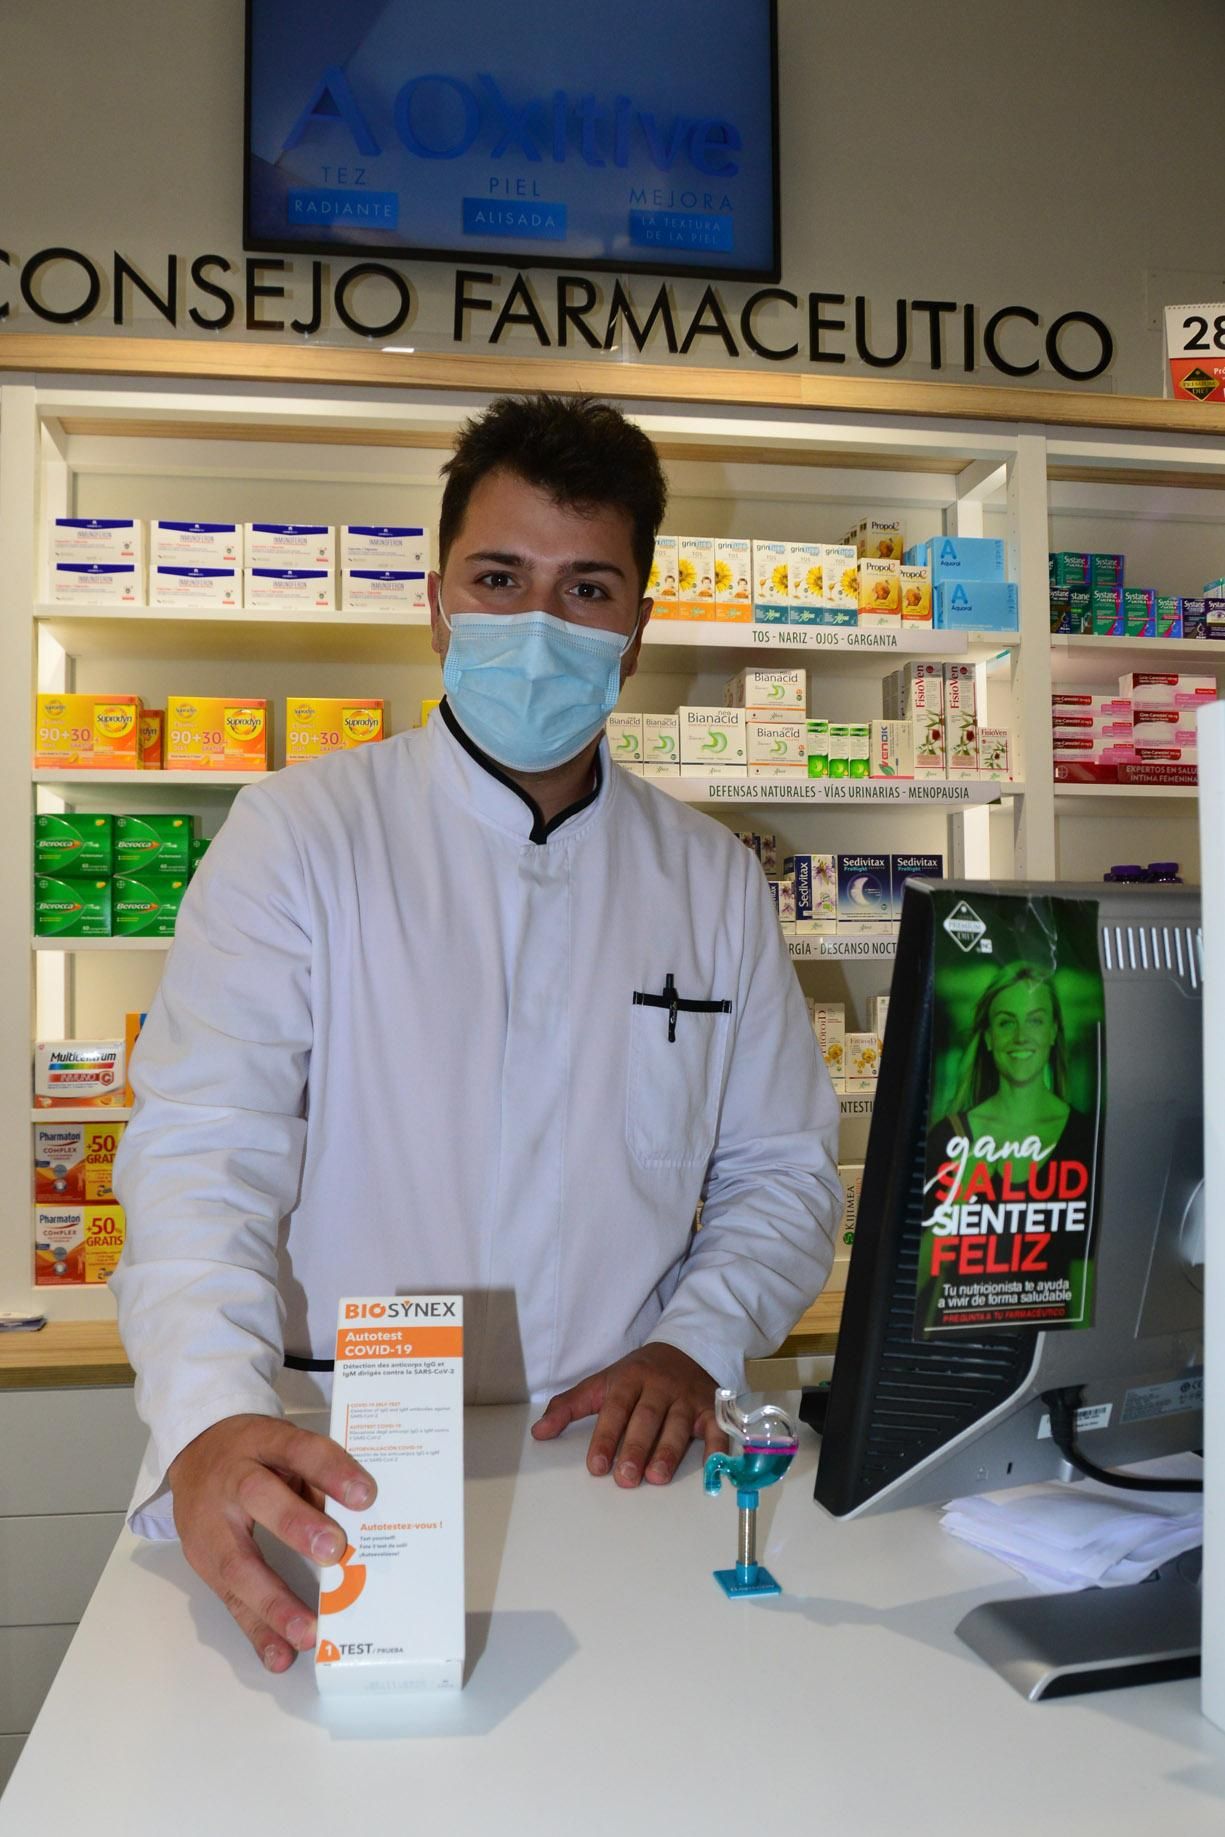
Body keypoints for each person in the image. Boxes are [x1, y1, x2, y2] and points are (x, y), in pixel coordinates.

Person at [112, 393, 840, 1675]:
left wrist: (696, 1337)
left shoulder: (711, 877)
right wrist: (211, 1420)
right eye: (499, 577)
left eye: (587, 589)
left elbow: (779, 1169)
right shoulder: (299, 833)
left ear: (636, 632)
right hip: (326, 1448)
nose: (537, 625)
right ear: (436, 601)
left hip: (611, 1455)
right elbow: (201, 1152)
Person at [927, 963, 1096, 1184]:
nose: (1021, 1037)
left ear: (1053, 1032)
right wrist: (961, 1193)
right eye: (1006, 1023)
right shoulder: (949, 1137)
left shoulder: (1087, 1138)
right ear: (989, 1037)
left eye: (1035, 1021)